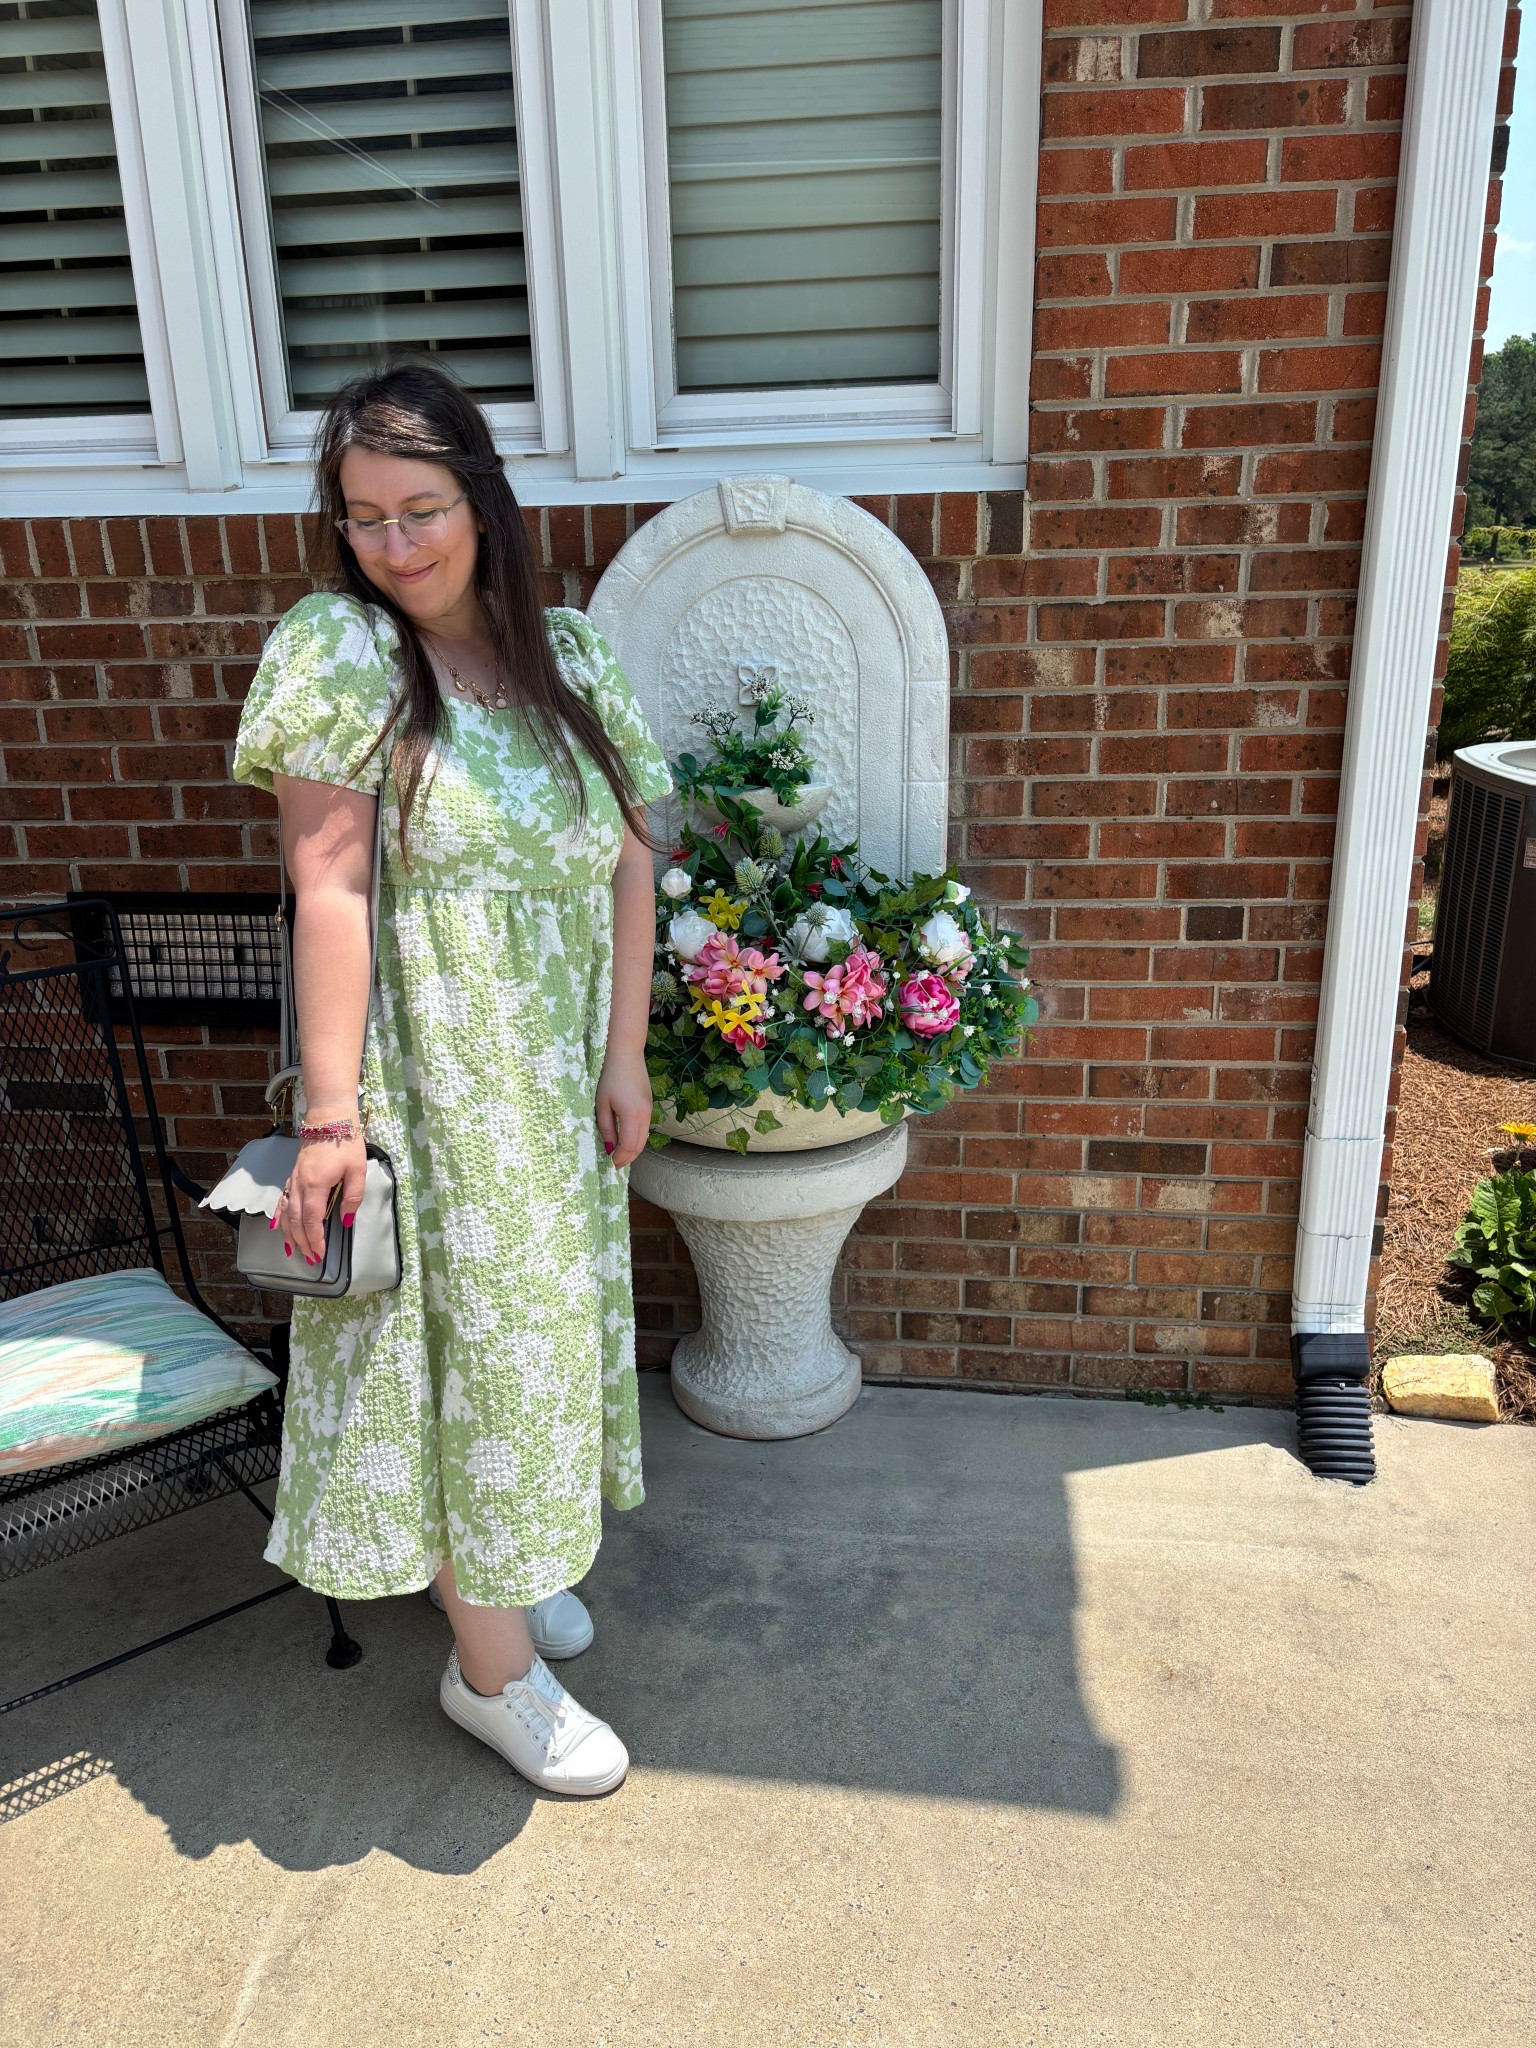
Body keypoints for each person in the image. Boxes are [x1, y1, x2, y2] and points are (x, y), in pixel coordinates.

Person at [232, 360, 671, 1797]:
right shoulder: (346, 653)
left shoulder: (570, 661)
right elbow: (331, 888)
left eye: (420, 507)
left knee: (528, 1346)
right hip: (429, 1084)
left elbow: (629, 864)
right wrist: (330, 1117)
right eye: (362, 516)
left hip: (548, 1089)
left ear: (482, 501)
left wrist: (623, 1053)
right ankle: (494, 1673)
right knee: (459, 1353)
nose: (394, 543)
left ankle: (506, 1561)